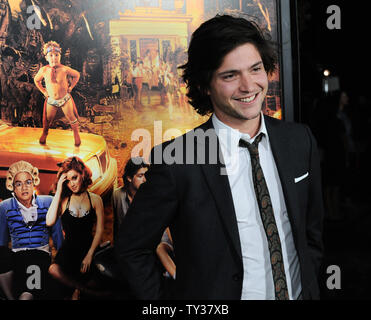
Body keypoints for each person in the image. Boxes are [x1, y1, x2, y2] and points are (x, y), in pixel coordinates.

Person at [115, 14, 324, 300]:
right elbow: (131, 248)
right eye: (230, 75)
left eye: (255, 69)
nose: (248, 86)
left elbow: (311, 232)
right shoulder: (177, 159)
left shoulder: (300, 140)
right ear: (204, 84)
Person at [0, 161, 63, 300]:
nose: (24, 187)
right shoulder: (4, 206)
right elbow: (2, 242)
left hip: (40, 254)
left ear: (34, 182)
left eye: (28, 182)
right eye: (19, 183)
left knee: (29, 291)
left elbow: (58, 236)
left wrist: (61, 259)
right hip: (17, 255)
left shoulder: (48, 202)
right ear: (12, 187)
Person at [46, 156, 104, 299]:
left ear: (82, 175)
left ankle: (80, 290)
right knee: (53, 269)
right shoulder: (64, 200)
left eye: (74, 178)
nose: (71, 184)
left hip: (88, 249)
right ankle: (81, 289)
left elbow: (100, 230)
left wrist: (90, 254)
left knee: (96, 279)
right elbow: (49, 221)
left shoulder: (95, 200)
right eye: (68, 180)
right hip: (68, 252)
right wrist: (59, 189)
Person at [34, 41, 81, 146]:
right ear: (46, 57)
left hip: (65, 99)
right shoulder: (44, 70)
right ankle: (45, 133)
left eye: (56, 55)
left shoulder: (64, 69)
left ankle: (76, 135)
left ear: (60, 56)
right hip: (51, 100)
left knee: (71, 118)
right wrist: (44, 91)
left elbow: (77, 75)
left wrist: (71, 87)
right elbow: (36, 80)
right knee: (48, 120)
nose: (54, 58)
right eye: (51, 55)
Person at [112, 157, 149, 240]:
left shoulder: (152, 197)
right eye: (140, 176)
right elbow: (116, 226)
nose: (145, 180)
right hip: (125, 246)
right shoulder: (117, 195)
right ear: (129, 178)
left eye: (146, 175)